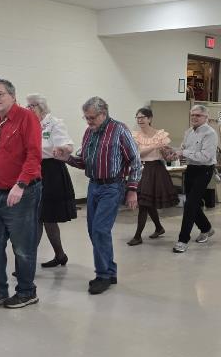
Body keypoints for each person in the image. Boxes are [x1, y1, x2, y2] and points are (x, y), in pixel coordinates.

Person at [55, 97, 141, 295]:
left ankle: (103, 276)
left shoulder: (119, 130)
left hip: (112, 187)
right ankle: (109, 271)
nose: (89, 122)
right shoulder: (89, 133)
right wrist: (66, 158)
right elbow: (84, 162)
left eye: (92, 118)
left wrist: (132, 189)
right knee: (94, 231)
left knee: (100, 230)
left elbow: (135, 161)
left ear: (104, 113)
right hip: (93, 186)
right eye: (86, 118)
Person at [0, 79, 42, 310]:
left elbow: (34, 155)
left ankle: (26, 292)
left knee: (22, 247)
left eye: (0, 93)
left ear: (13, 96)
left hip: (22, 192)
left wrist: (21, 185)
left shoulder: (27, 118)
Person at [26, 93, 77, 267]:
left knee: (42, 217)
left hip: (51, 171)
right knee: (44, 218)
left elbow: (68, 146)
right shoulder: (30, 124)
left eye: (31, 105)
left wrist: (62, 149)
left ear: (40, 106)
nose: (28, 109)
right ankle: (60, 255)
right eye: (27, 106)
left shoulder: (55, 123)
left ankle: (28, 263)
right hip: (34, 170)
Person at [126, 107, 178, 246]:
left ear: (150, 118)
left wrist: (168, 152)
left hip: (156, 169)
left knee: (145, 203)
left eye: (142, 117)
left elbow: (167, 157)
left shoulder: (160, 135)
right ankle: (159, 228)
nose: (140, 120)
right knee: (145, 202)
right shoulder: (135, 135)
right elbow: (137, 154)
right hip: (141, 169)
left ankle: (138, 236)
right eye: (137, 117)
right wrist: (155, 146)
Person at [172, 105, 218, 254]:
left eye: (198, 115)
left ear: (205, 117)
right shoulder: (188, 132)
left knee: (190, 205)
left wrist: (183, 152)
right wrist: (174, 153)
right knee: (192, 204)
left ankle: (183, 240)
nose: (194, 118)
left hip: (204, 170)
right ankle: (206, 228)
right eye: (192, 115)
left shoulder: (210, 134)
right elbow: (183, 148)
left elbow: (205, 156)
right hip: (191, 169)